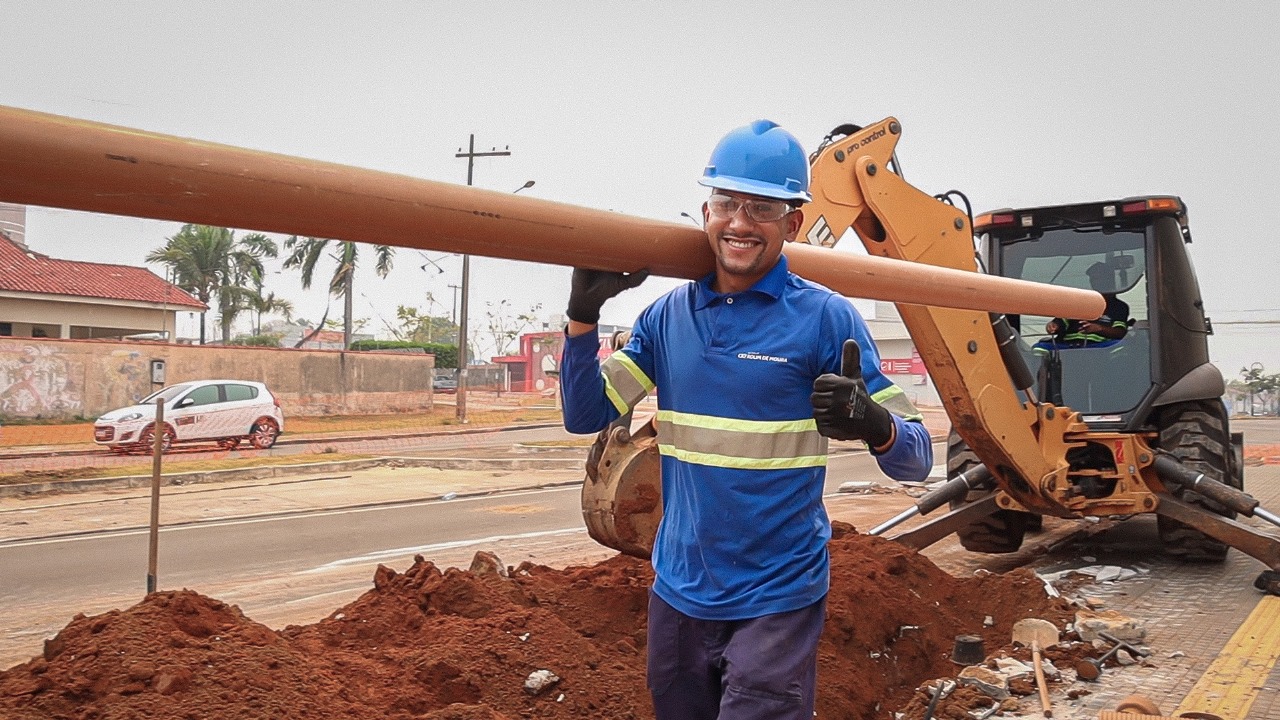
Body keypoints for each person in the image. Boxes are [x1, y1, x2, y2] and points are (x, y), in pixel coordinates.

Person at [558, 119, 933, 720]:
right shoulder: (666, 319)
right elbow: (586, 413)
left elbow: (919, 456)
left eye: (760, 208)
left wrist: (873, 422)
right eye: (726, 203)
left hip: (776, 596)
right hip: (679, 590)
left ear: (793, 223)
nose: (738, 222)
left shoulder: (825, 320)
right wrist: (582, 316)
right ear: (705, 210)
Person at [1033, 261, 1132, 355]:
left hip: (1102, 349)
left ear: (1109, 279)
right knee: (1039, 348)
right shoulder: (1078, 302)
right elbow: (1060, 322)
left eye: (1098, 278)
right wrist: (1053, 326)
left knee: (1121, 347)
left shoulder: (1119, 307)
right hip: (1067, 348)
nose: (1094, 282)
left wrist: (1098, 328)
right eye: (1092, 279)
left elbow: (1120, 333)